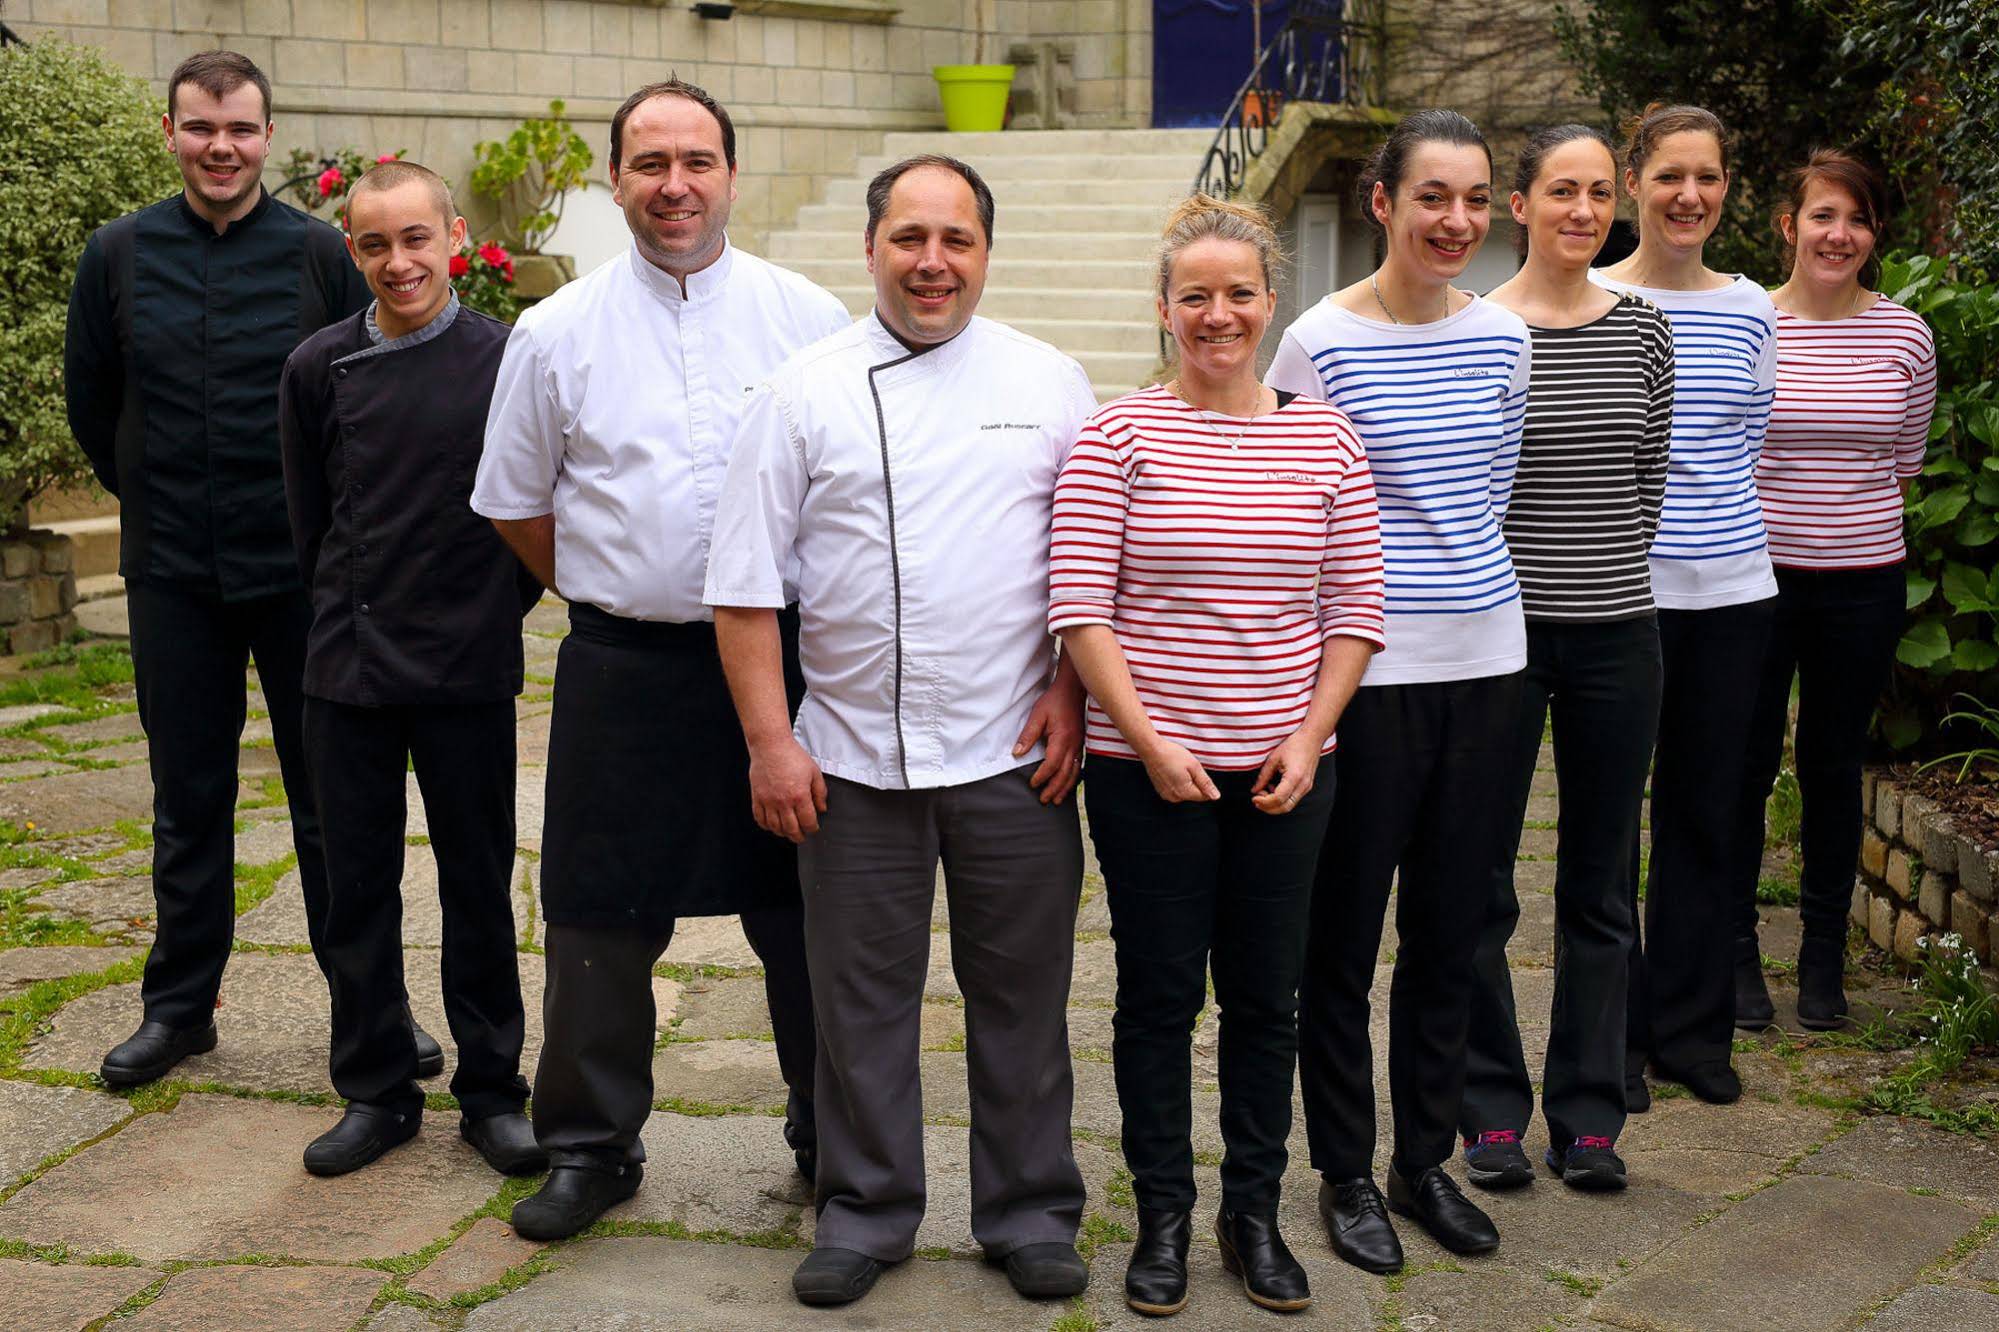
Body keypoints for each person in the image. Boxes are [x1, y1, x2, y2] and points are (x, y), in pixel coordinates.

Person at [706, 154, 1099, 1310]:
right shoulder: (801, 391)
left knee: (1023, 997)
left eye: (957, 240)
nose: (934, 263)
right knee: (857, 1002)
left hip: (1013, 754)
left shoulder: (1051, 379)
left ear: (986, 252)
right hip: (851, 762)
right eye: (910, 239)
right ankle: (865, 1210)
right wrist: (773, 743)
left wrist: (1072, 695)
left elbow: (1089, 572)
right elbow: (742, 590)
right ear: (870, 248)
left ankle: (1028, 1210)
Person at [472, 79, 847, 1241]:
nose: (673, 185)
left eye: (695, 161)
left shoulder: (810, 319)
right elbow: (518, 508)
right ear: (616, 179)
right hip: (622, 670)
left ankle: (834, 1135)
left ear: (731, 172)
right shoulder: (554, 331)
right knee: (595, 909)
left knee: (808, 912)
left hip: (783, 668)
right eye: (648, 163)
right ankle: (589, 1145)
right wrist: (614, 581)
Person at [1050, 195, 1385, 1316]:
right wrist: (1149, 744)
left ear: (1268, 304)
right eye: (1194, 296)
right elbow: (1080, 611)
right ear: (1163, 310)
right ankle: (1163, 1218)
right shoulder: (1117, 436)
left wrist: (1306, 737)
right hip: (1148, 775)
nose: (1217, 314)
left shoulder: (1324, 437)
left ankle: (1252, 1213)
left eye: (1238, 293)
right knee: (1154, 999)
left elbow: (1354, 609)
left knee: (1266, 1001)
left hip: (1288, 772)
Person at [60, 50, 418, 1088]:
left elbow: (364, 397)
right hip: (171, 569)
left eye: (242, 130)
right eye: (201, 128)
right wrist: (151, 491)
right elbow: (95, 402)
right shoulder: (117, 254)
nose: (222, 148)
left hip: (307, 574)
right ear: (171, 132)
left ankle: (371, 1012)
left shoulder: (319, 255)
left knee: (333, 802)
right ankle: (179, 1011)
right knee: (188, 797)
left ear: (269, 137)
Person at [1266, 108, 1531, 1273]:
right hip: (1364, 684)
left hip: (1489, 668)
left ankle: (1422, 1161)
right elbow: (1294, 511)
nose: (1457, 222)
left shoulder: (1506, 338)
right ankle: (1342, 1173)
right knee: (1340, 935)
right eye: (1434, 198)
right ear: (1383, 202)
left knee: (1451, 930)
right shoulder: (1315, 344)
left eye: (1475, 200)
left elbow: (1494, 482)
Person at [278, 161, 545, 1178]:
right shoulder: (314, 366)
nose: (399, 263)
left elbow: (530, 524)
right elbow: (313, 520)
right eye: (375, 245)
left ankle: (491, 1091)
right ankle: (378, 1088)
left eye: (416, 240)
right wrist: (342, 613)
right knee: (357, 888)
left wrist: (482, 614)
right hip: (345, 667)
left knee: (478, 883)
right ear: (352, 251)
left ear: (456, 238)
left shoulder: (509, 359)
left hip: (467, 665)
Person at [1457, 125, 1674, 1195]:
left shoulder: (1643, 332)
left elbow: (1647, 477)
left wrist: (1596, 581)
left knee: (1599, 886)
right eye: (1561, 192)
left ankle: (1589, 1113)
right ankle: (1489, 1110)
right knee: (1481, 879)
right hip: (1500, 641)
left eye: (1597, 194)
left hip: (1617, 636)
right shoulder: (1478, 330)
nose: (1583, 211)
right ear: (1520, 205)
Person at [1593, 104, 1779, 1110]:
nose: (1688, 196)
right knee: (1610, 824)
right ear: (1633, 183)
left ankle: (1692, 1033)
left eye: (1706, 177)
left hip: (1732, 594)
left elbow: (1742, 443)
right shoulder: (1587, 300)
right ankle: (1612, 1041)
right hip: (1621, 600)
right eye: (1669, 175)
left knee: (1709, 815)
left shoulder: (1753, 309)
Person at [1731, 151, 1936, 1030]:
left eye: (1855, 220)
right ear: (1789, 225)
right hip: (1750, 583)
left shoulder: (1905, 337)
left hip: (1861, 585)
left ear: (1872, 236)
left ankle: (1821, 961)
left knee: (1830, 765)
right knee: (1738, 766)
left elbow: (1901, 469)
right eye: (1821, 216)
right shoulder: (1746, 321)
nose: (1837, 235)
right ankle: (1734, 956)